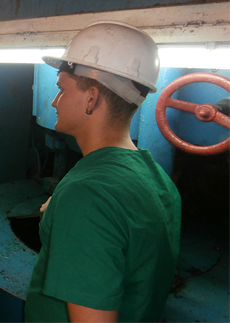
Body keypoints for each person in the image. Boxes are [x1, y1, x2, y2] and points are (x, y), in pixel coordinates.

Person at [25, 21, 181, 322]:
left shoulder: (87, 194)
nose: (54, 102)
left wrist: (73, 208)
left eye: (61, 90)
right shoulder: (157, 178)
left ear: (91, 98)